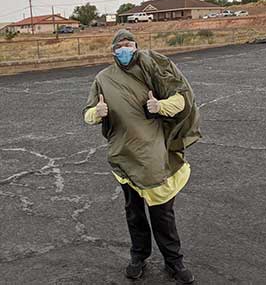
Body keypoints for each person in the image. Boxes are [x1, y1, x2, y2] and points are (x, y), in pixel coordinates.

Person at [83, 29, 201, 284]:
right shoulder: (103, 79)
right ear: (113, 51)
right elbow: (87, 114)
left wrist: (160, 106)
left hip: (153, 156)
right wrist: (97, 112)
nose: (124, 50)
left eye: (128, 45)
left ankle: (174, 262)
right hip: (123, 156)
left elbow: (181, 100)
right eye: (119, 47)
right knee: (134, 212)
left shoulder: (153, 69)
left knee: (162, 214)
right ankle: (139, 257)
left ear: (136, 46)